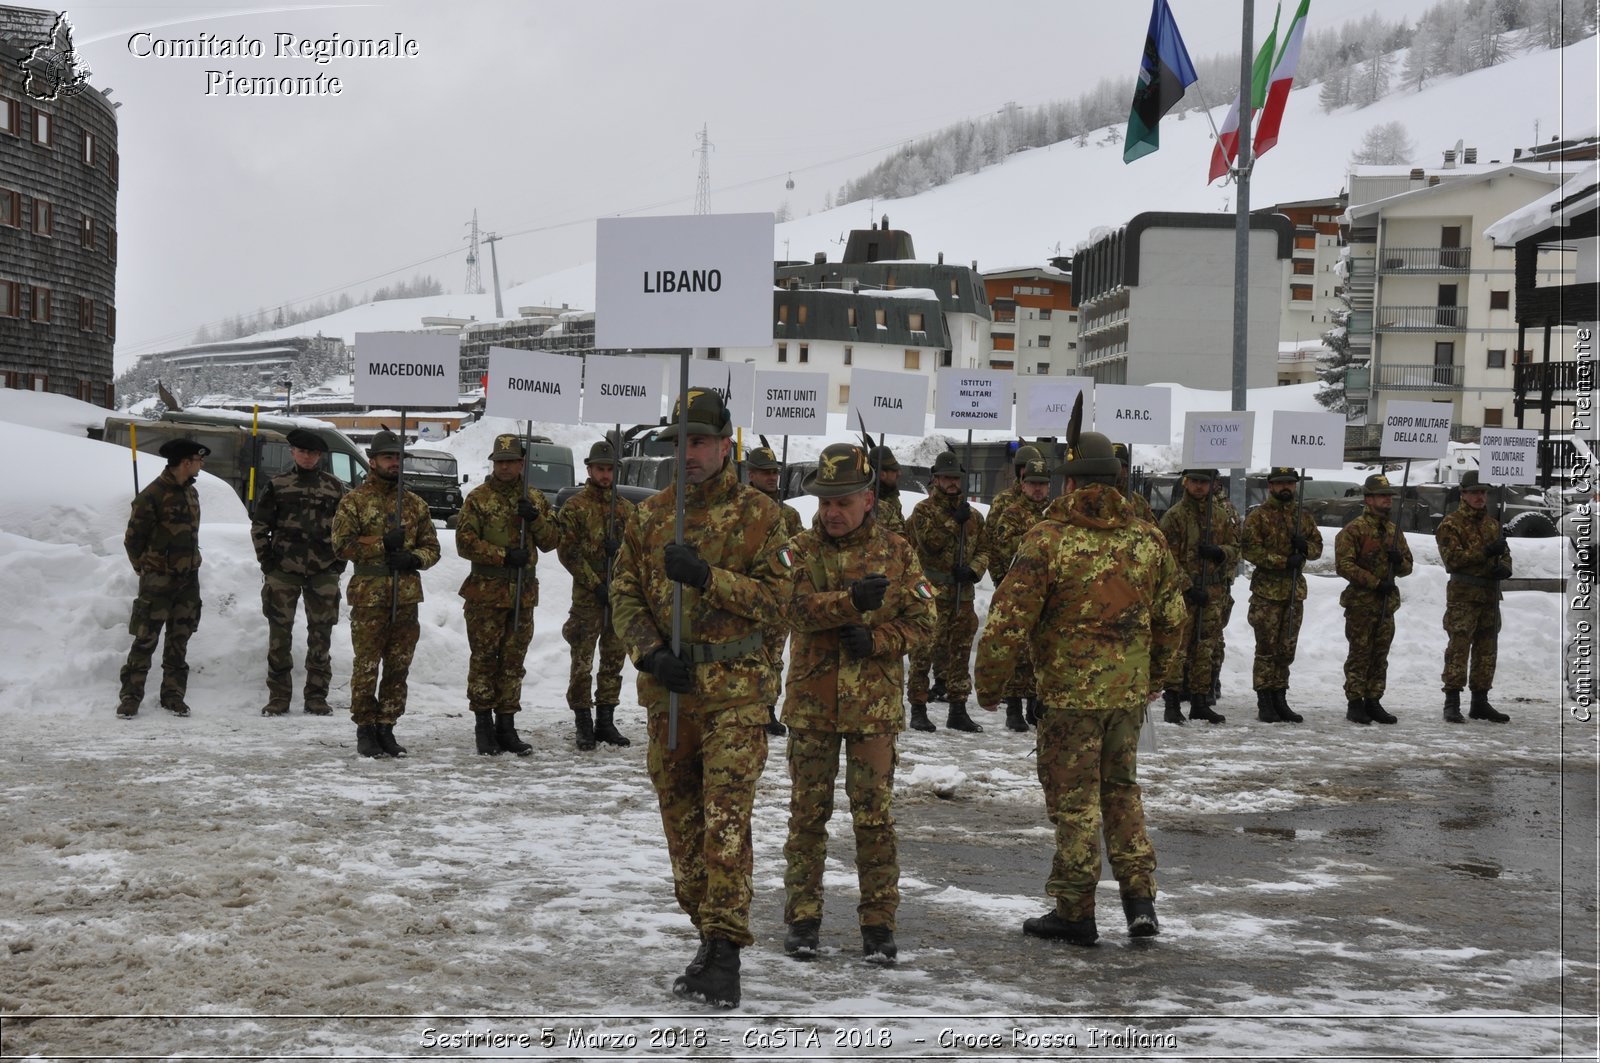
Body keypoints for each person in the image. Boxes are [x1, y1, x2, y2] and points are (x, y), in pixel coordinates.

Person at [609, 388, 793, 1009]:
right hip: (673, 693)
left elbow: (779, 601)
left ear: (725, 445)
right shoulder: (651, 516)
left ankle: (724, 951)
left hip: (736, 693)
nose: (688, 454)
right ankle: (706, 929)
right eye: (679, 442)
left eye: (700, 442)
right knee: (682, 828)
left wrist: (706, 578)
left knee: (724, 822)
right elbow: (625, 592)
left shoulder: (763, 517)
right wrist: (649, 652)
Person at [975, 432, 1185, 945]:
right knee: (1121, 792)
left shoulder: (1048, 539)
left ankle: (1075, 910)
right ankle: (1140, 901)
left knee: (1075, 803)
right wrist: (1154, 678)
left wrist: (988, 685)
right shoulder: (1146, 538)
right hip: (1127, 695)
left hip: (1069, 698)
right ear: (1116, 479)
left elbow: (1007, 621)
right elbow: (1174, 618)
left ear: (1068, 481)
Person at [779, 443, 936, 964]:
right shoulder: (798, 550)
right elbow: (790, 608)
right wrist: (848, 604)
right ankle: (803, 919)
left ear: (868, 499)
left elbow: (924, 620)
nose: (832, 512)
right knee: (807, 817)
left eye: (843, 500)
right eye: (824, 501)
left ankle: (878, 925)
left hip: (873, 710)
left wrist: (881, 639)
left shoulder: (899, 552)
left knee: (874, 820)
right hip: (812, 705)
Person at [330, 430, 441, 758]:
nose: (394, 463)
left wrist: (413, 558)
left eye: (398, 458)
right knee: (367, 664)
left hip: (405, 597)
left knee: (398, 666)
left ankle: (387, 726)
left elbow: (432, 548)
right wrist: (381, 545)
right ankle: (365, 728)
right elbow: (341, 545)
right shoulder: (354, 501)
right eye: (388, 457)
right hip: (370, 597)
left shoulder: (414, 503)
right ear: (373, 461)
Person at [455, 433, 561, 756]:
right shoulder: (478, 498)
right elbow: (464, 542)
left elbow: (552, 540)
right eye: (500, 462)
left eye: (511, 461)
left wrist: (536, 519)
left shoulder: (533, 498)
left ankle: (507, 725)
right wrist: (502, 555)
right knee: (485, 660)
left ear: (521, 463)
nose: (505, 467)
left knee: (513, 663)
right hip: (486, 594)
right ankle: (483, 726)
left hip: (521, 596)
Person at [250, 428, 347, 717]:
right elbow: (259, 526)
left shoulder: (334, 487)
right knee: (279, 636)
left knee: (321, 636)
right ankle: (279, 697)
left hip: (323, 572)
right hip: (284, 571)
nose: (307, 457)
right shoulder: (278, 485)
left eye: (313, 453)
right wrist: (267, 563)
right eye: (302, 452)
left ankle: (317, 696)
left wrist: (338, 563)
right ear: (293, 453)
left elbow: (345, 529)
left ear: (319, 456)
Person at [118, 438, 209, 718]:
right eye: (198, 459)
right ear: (186, 463)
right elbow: (133, 539)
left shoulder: (191, 493)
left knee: (179, 639)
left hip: (187, 579)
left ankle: (173, 695)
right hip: (158, 580)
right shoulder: (152, 495)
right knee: (145, 638)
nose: (201, 464)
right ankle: (131, 697)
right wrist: (143, 567)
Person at [557, 439, 637, 750]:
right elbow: (569, 552)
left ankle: (606, 719)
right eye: (600, 469)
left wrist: (618, 562)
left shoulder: (627, 510)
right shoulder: (576, 508)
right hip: (588, 601)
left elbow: (636, 555)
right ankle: (583, 721)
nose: (605, 475)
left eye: (610, 469)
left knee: (613, 661)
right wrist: (596, 583)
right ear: (589, 470)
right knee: (582, 663)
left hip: (617, 599)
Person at [905, 450, 989, 733]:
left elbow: (984, 549)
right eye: (946, 478)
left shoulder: (975, 516)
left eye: (956, 478)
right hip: (931, 593)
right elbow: (930, 544)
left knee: (960, 652)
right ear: (936, 480)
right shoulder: (923, 511)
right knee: (924, 651)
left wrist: (974, 569)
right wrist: (955, 522)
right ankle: (918, 706)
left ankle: (958, 708)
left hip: (962, 594)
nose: (952, 483)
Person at [1239, 468, 1324, 724]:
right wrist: (1284, 561)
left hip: (1293, 593)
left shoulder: (1303, 517)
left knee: (1286, 649)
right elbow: (1250, 550)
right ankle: (1264, 699)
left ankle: (1280, 696)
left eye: (1290, 483)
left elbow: (1317, 547)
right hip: (1267, 593)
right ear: (1271, 486)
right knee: (1266, 649)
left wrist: (1305, 548)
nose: (1285, 487)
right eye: (1280, 483)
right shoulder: (1259, 517)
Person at [1158, 469, 1238, 725]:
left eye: (1204, 482)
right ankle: (1172, 701)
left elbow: (1236, 548)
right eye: (1195, 482)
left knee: (1206, 648)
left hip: (1213, 592)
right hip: (1184, 595)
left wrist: (1219, 552)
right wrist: (1187, 587)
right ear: (1186, 483)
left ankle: (1200, 701)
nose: (1199, 487)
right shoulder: (1175, 517)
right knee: (1179, 649)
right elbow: (1165, 558)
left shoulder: (1221, 516)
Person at [1334, 473, 1414, 725]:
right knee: (1360, 653)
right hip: (1361, 603)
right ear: (1368, 499)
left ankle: (1374, 699)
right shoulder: (1354, 530)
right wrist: (1375, 582)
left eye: (1389, 496)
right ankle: (1355, 702)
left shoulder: (1393, 529)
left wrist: (1398, 561)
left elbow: (1408, 566)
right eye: (1382, 496)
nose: (1387, 500)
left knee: (1380, 655)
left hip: (1385, 605)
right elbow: (1344, 565)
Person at [1434, 470, 1512, 723]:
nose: (1480, 497)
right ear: (1463, 494)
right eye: (1475, 492)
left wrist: (1505, 566)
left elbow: (1506, 554)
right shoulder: (1451, 524)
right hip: (1464, 596)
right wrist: (1486, 551)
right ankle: (1452, 701)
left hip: (1489, 594)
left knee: (1487, 650)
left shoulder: (1492, 524)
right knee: (1458, 648)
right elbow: (1453, 560)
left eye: (1483, 492)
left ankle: (1480, 700)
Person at [985, 456, 1053, 731]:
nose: (1038, 489)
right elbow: (1003, 551)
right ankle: (1013, 706)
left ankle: (1035, 706)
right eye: (1033, 483)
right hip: (1020, 589)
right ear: (1023, 485)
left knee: (1040, 649)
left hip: (1047, 592)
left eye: (1043, 484)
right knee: (1017, 649)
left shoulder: (1053, 515)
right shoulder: (1012, 514)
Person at [746, 444, 803, 736]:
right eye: (766, 472)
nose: (772, 478)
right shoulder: (742, 509)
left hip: (779, 599)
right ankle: (748, 707)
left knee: (773, 657)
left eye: (775, 473)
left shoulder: (788, 514)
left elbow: (800, 553)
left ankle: (768, 707)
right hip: (748, 596)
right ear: (751, 475)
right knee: (747, 654)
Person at [985, 444, 1042, 536]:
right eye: (1026, 467)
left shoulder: (1043, 499)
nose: (1030, 471)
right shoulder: (1002, 500)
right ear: (1018, 470)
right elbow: (989, 536)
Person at [1112, 443, 1158, 524]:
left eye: (1120, 466)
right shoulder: (1095, 498)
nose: (1116, 470)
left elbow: (1153, 531)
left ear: (1126, 469)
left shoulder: (1139, 502)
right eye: (1112, 465)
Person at [868, 445, 906, 537]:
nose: (899, 473)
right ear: (882, 475)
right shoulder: (870, 502)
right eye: (894, 471)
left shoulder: (890, 494)